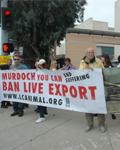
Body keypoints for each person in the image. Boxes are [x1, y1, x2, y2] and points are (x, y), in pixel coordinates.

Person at [79, 47, 106, 133]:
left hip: (97, 88)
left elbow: (103, 72)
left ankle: (102, 124)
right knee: (88, 107)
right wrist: (86, 70)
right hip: (87, 88)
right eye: (89, 52)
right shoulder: (83, 62)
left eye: (92, 52)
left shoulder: (98, 61)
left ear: (94, 53)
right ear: (86, 54)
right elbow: (79, 73)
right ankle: (89, 124)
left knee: (99, 106)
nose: (90, 54)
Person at [101, 54, 116, 120]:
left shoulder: (110, 66)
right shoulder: (100, 65)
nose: (101, 58)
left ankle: (112, 113)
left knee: (109, 99)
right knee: (101, 99)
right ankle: (99, 112)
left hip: (108, 84)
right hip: (101, 84)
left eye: (102, 57)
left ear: (105, 58)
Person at [36, 59, 48, 123]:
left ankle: (42, 116)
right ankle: (45, 113)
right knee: (43, 101)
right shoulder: (42, 70)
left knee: (41, 102)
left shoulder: (44, 70)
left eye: (39, 64)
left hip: (43, 88)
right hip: (42, 88)